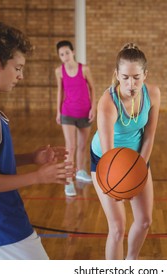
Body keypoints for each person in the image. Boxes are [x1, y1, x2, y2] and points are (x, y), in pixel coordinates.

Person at [0, 22, 74, 260]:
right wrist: (39, 176)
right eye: (18, 68)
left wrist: (31, 158)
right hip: (2, 228)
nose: (21, 76)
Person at [90, 43, 160, 259]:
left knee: (145, 220)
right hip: (106, 161)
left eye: (137, 77)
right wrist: (115, 186)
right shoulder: (107, 103)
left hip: (137, 157)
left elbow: (149, 136)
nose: (131, 84)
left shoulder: (153, 94)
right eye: (126, 77)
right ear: (117, 75)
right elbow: (109, 153)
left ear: (145, 74)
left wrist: (138, 168)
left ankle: (131, 262)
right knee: (118, 228)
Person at [55, 40, 96, 197]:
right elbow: (60, 91)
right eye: (61, 54)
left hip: (85, 112)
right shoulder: (59, 71)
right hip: (68, 113)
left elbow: (92, 88)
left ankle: (80, 171)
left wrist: (93, 107)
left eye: (67, 52)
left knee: (82, 146)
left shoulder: (84, 69)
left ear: (73, 52)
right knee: (70, 148)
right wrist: (58, 112)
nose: (65, 56)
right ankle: (68, 182)